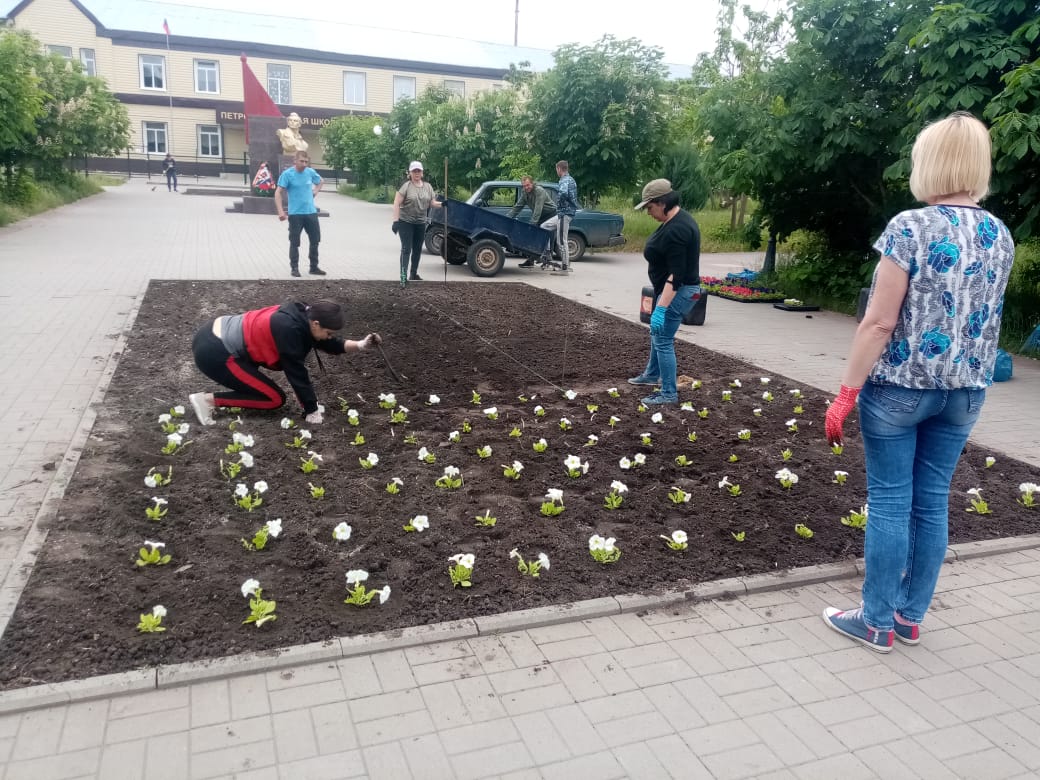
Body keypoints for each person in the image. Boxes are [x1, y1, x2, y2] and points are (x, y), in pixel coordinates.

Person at [823, 112, 1015, 653]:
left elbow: (880, 322)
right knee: (932, 502)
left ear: (928, 162)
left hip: (899, 392)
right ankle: (910, 619)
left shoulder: (911, 226)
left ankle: (875, 622)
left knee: (888, 502)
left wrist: (845, 392)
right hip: (965, 394)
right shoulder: (1000, 234)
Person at [188, 300, 381, 426]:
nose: (328, 337)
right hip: (215, 351)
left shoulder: (305, 315)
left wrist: (362, 344)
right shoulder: (289, 329)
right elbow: (295, 371)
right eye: (328, 332)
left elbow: (329, 343)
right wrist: (311, 410)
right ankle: (207, 400)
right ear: (316, 324)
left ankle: (212, 399)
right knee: (273, 398)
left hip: (218, 333)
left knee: (261, 390)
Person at [627, 179, 701, 406]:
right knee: (657, 335)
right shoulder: (677, 218)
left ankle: (669, 393)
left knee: (663, 340)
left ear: (662, 203)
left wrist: (661, 308)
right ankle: (651, 374)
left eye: (650, 207)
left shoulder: (678, 229)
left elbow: (676, 276)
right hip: (673, 290)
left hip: (679, 292)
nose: (649, 212)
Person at [391, 161, 443, 285]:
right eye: (414, 171)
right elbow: (396, 203)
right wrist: (395, 221)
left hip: (420, 223)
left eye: (419, 171)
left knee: (417, 249)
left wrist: (443, 204)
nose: (417, 173)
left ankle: (413, 273)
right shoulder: (406, 186)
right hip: (406, 222)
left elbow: (432, 203)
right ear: (410, 173)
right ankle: (403, 277)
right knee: (406, 249)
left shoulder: (428, 187)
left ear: (422, 173)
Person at [276, 151, 324, 277]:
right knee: (294, 242)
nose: (304, 164)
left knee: (315, 241)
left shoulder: (310, 172)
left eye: (306, 161)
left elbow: (321, 181)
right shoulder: (287, 174)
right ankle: (294, 268)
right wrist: (281, 211)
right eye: (301, 161)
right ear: (295, 161)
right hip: (295, 214)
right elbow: (278, 192)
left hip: (311, 213)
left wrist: (316, 191)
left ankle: (314, 267)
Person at [508, 176, 556, 269]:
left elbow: (538, 208)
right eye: (524, 186)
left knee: (546, 238)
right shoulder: (525, 193)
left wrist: (532, 224)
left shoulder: (539, 191)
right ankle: (531, 261)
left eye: (528, 185)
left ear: (532, 183)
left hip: (550, 214)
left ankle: (548, 260)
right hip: (540, 216)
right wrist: (507, 218)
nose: (526, 187)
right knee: (535, 239)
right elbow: (518, 206)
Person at [539, 160, 578, 274]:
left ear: (559, 169)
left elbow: (564, 193)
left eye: (556, 169)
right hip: (565, 213)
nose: (557, 171)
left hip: (564, 213)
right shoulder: (571, 180)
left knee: (561, 241)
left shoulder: (564, 180)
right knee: (544, 226)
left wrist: (559, 204)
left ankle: (565, 267)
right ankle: (547, 253)